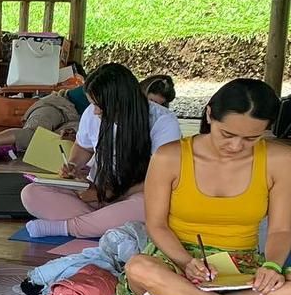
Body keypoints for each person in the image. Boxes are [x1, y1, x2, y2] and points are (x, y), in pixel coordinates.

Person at [123, 79, 291, 295]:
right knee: (139, 268)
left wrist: (272, 266)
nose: (236, 146)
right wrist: (186, 263)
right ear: (210, 114)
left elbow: (281, 230)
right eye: (227, 134)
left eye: (252, 138)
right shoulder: (170, 157)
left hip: (241, 270)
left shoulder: (280, 159)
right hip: (178, 265)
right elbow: (156, 225)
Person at [21, 63, 182, 239]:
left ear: (121, 101)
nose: (96, 111)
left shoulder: (163, 121)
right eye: (93, 104)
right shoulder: (92, 113)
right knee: (31, 194)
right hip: (94, 191)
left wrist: (110, 195)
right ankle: (104, 224)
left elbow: (161, 179)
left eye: (100, 106)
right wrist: (73, 164)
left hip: (133, 194)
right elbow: (83, 147)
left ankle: (68, 227)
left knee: (146, 206)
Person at [0, 87, 85, 153]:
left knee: (54, 142)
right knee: (34, 135)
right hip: (57, 104)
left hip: (74, 119)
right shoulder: (93, 86)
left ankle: (2, 147)